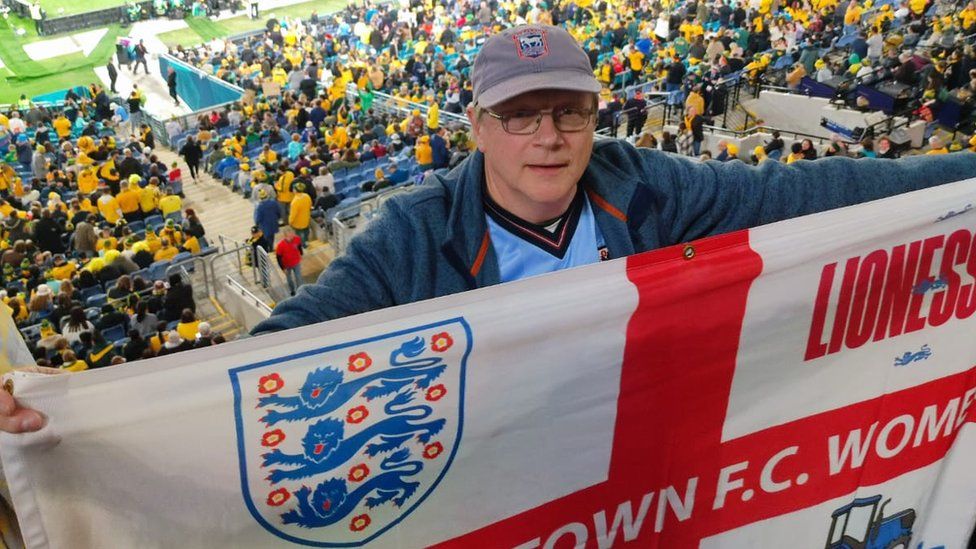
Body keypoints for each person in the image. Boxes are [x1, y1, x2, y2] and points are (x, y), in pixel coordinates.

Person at [4, 24, 976, 434]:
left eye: (570, 113)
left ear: (599, 117)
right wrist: (82, 415)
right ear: (475, 127)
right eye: (520, 115)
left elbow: (829, 190)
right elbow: (273, 360)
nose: (548, 138)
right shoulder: (412, 237)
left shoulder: (653, 189)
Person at [275, 227, 303, 296]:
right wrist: (283, 268)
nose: (291, 238)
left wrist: (301, 253)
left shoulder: (297, 239)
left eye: (292, 235)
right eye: (289, 236)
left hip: (296, 262)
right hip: (286, 265)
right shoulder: (280, 246)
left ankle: (300, 291)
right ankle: (292, 290)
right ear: (285, 236)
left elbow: (299, 246)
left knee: (298, 277)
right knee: (289, 279)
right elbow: (278, 258)